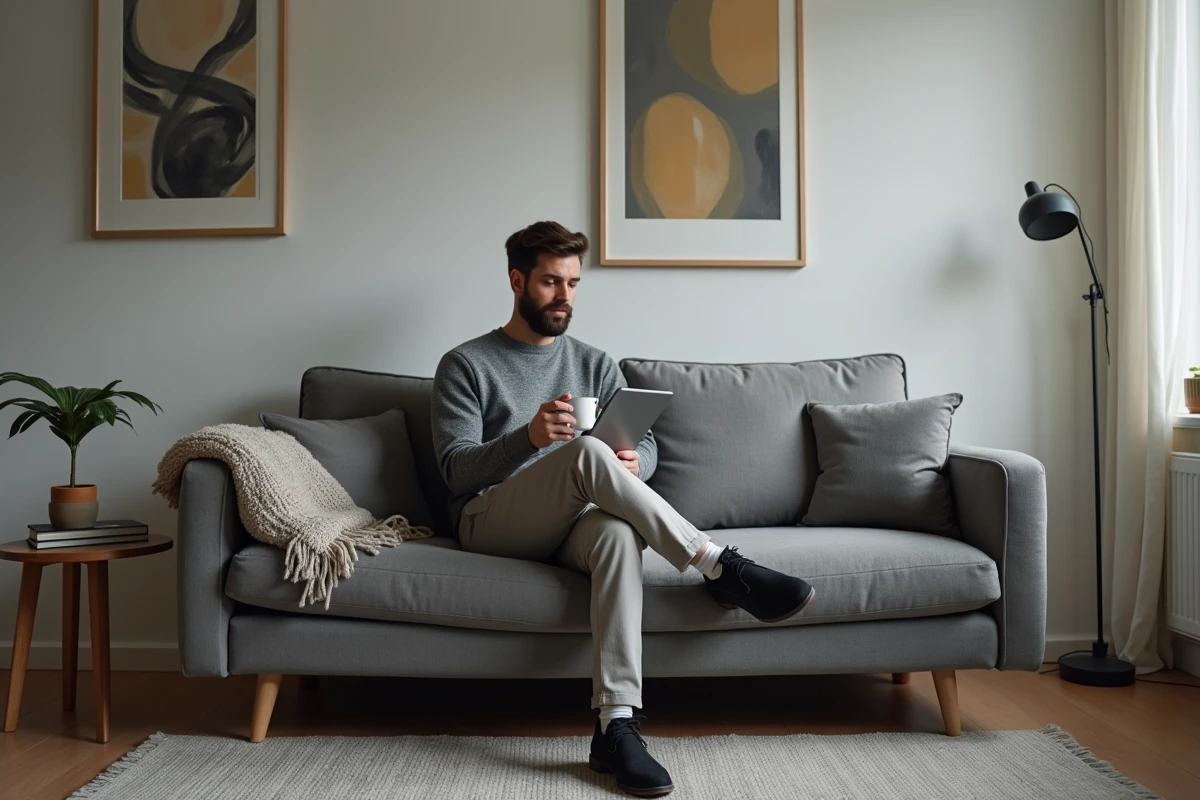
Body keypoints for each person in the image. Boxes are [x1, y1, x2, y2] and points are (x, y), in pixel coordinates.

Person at [431, 221, 816, 797]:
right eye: (550, 282)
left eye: (573, 283)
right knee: (588, 453)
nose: (564, 296)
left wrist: (636, 463)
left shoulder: (595, 363)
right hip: (491, 520)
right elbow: (455, 470)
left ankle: (616, 725)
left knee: (616, 533)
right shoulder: (466, 364)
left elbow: (646, 444)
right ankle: (719, 565)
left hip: (574, 521)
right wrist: (528, 439)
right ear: (516, 281)